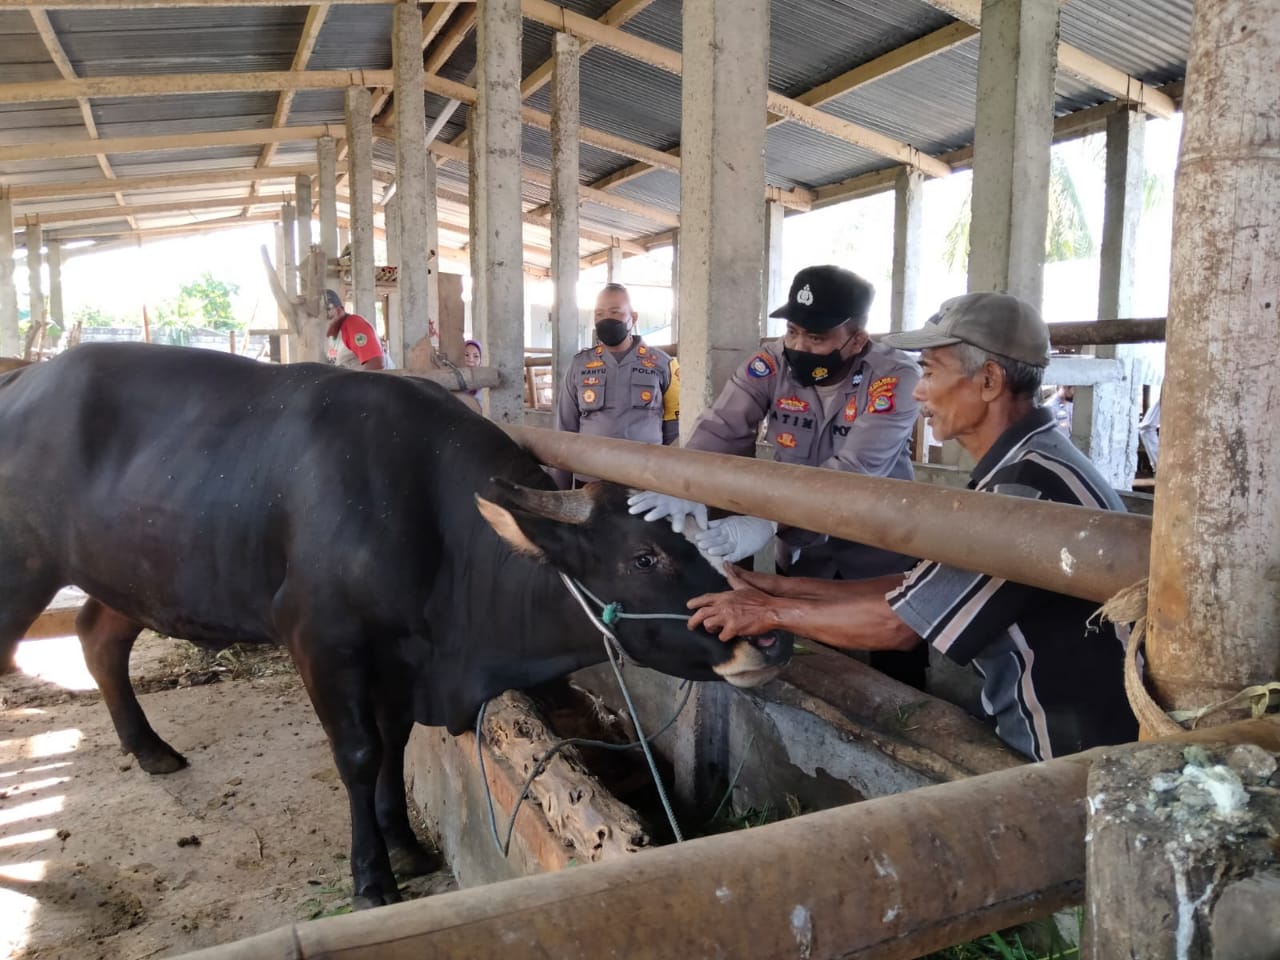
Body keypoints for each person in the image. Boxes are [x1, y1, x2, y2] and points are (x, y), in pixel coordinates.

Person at [686, 292, 1138, 761]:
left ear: (988, 381)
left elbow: (900, 625)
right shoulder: (1027, 467)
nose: (919, 391)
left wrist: (771, 613)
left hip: (1074, 749)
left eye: (930, 372)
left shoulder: (1026, 493)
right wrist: (777, 589)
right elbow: (912, 591)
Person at [629, 264, 926, 686]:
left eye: (816, 337)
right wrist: (685, 486)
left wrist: (766, 519)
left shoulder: (893, 376)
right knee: (811, 661)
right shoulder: (770, 365)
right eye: (793, 332)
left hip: (878, 549)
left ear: (857, 337)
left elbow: (855, 473)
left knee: (900, 668)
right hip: (806, 556)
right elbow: (720, 431)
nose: (799, 345)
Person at [555, 283, 679, 487]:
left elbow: (675, 429)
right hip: (590, 480)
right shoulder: (580, 365)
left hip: (645, 481)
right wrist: (560, 488)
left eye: (615, 312)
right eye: (599, 314)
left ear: (634, 317)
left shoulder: (663, 364)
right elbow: (566, 427)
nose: (606, 320)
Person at [324, 289, 387, 371]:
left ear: (339, 311)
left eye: (327, 317)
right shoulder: (333, 337)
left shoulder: (354, 325)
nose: (324, 324)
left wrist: (360, 383)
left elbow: (376, 364)